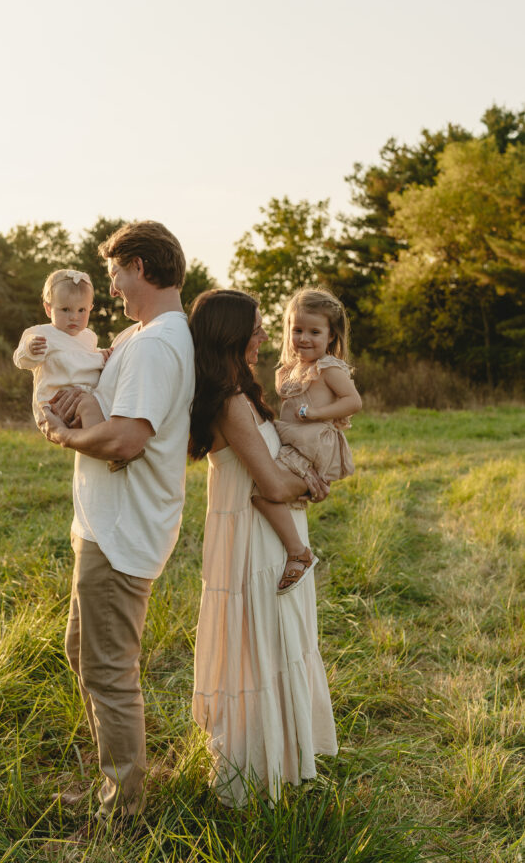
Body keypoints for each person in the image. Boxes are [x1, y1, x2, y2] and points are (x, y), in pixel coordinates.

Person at [39, 221, 195, 826]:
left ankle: (122, 808)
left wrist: (68, 436)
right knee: (84, 654)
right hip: (103, 523)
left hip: (125, 529)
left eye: (114, 276)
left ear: (139, 266)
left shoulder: (157, 343)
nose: (111, 290)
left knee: (108, 668)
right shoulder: (141, 336)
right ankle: (111, 781)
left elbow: (129, 439)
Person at [188, 288, 337, 807]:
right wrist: (310, 486)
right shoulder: (227, 403)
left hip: (272, 537)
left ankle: (282, 763)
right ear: (230, 335)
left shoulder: (242, 392)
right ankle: (252, 776)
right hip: (253, 542)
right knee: (260, 650)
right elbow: (271, 486)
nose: (265, 335)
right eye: (254, 328)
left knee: (277, 647)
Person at [252, 286, 362, 594]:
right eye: (297, 330)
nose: (304, 338)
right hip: (296, 439)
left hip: (313, 442)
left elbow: (353, 401)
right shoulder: (291, 369)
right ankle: (286, 544)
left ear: (330, 336)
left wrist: (317, 412)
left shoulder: (328, 368)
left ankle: (298, 553)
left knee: (264, 491)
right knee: (267, 488)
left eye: (315, 332)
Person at [13, 269, 107, 427]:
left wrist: (100, 355)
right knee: (89, 409)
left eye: (81, 310)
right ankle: (101, 442)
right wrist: (29, 349)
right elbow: (21, 360)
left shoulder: (89, 337)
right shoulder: (43, 334)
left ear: (90, 308)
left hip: (85, 398)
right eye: (65, 309)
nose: (74, 317)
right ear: (49, 309)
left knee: (103, 405)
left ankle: (113, 439)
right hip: (54, 405)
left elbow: (84, 360)